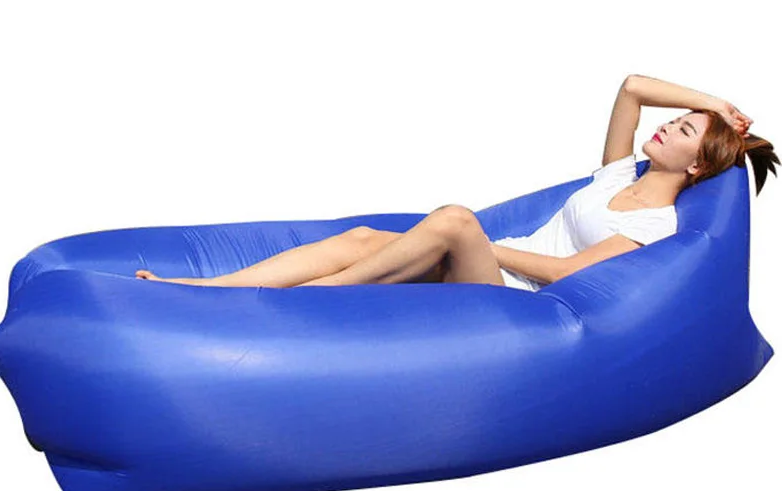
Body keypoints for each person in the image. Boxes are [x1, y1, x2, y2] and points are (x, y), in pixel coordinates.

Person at [135, 74, 778, 290]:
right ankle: (207, 288)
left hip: (509, 296)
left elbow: (566, 273)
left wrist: (480, 246)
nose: (665, 127)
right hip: (483, 268)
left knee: (454, 218)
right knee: (363, 237)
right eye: (676, 119)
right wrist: (713, 104)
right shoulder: (618, 174)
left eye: (683, 130)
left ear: (696, 166)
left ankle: (295, 300)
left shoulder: (654, 223)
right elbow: (633, 87)